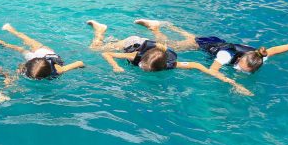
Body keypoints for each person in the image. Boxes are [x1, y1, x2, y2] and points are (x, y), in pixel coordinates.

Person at [86, 19, 252, 95]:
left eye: (146, 69)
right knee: (96, 49)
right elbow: (107, 54)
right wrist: (116, 66)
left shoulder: (170, 63)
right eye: (144, 67)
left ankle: (154, 27)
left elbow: (197, 66)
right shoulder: (134, 56)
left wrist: (232, 82)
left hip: (151, 46)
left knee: (170, 45)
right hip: (134, 42)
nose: (143, 69)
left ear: (162, 66)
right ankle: (100, 30)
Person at [127, 18, 288, 74]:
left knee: (191, 38)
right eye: (239, 67)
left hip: (216, 41)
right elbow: (213, 69)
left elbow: (274, 50)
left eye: (242, 70)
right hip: (209, 44)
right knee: (172, 45)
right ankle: (156, 28)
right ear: (240, 58)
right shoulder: (225, 57)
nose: (238, 69)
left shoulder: (259, 56)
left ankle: (168, 24)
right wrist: (230, 83)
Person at [0, 23, 84, 79]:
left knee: (25, 43)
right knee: (22, 47)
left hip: (43, 54)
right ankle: (0, 39)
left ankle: (9, 31)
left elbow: (79, 63)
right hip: (42, 55)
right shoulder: (58, 70)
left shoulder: (30, 66)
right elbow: (80, 62)